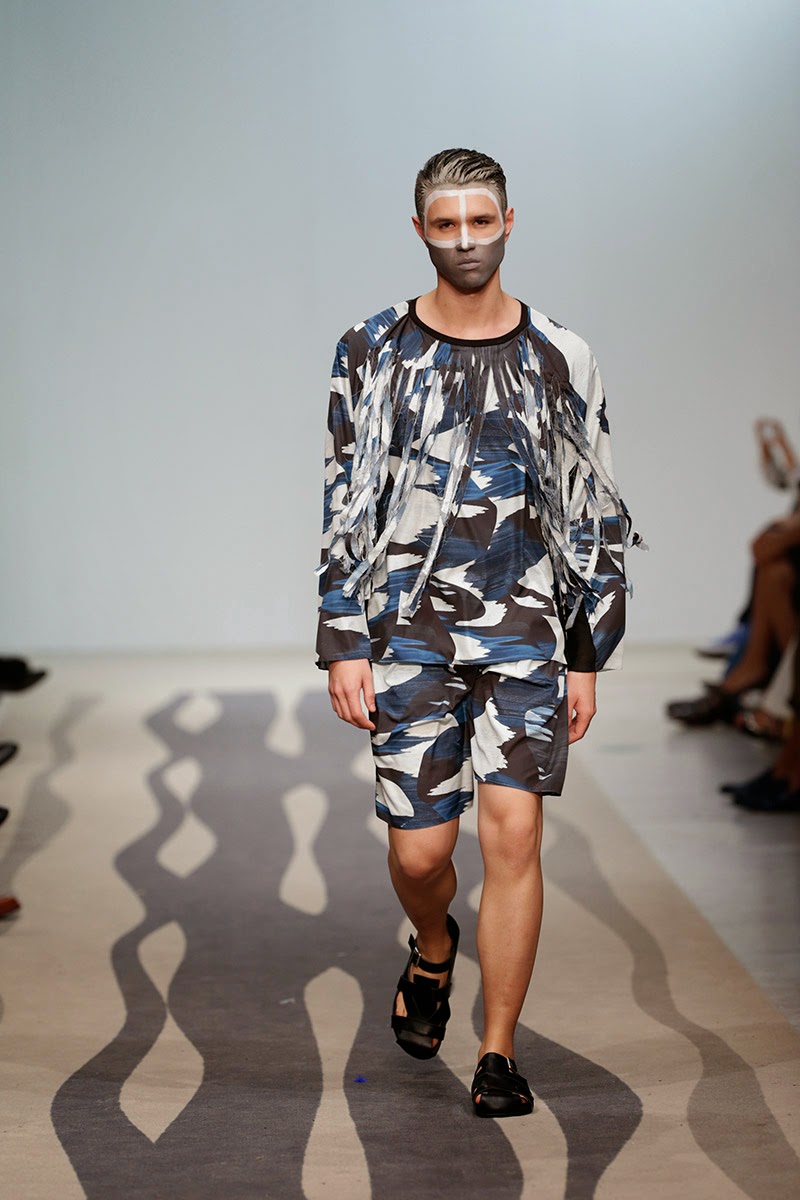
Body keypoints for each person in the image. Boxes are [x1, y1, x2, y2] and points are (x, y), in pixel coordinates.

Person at [314, 148, 640, 1118]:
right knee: (421, 855)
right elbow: (343, 496)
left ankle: (497, 1051)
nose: (464, 240)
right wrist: (342, 635)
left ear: (508, 222)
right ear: (419, 229)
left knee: (515, 835)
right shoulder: (370, 347)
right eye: (446, 223)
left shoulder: (561, 354)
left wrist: (587, 650)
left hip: (526, 628)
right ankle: (433, 945)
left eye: (480, 221)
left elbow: (592, 503)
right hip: (407, 630)